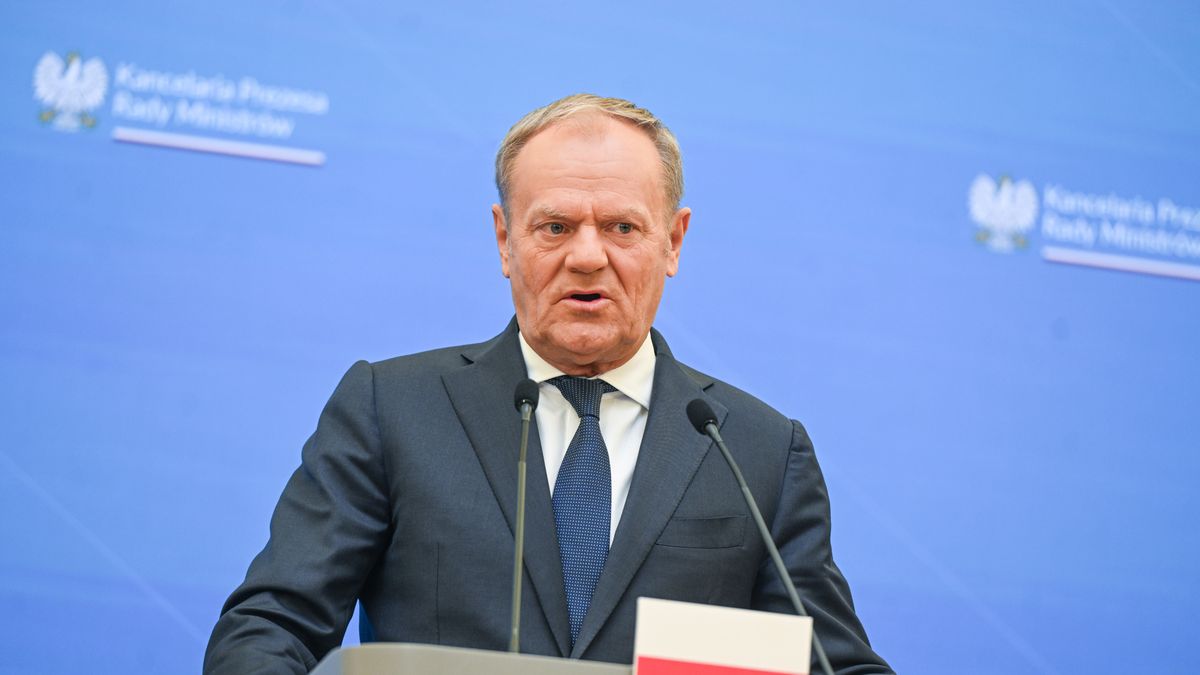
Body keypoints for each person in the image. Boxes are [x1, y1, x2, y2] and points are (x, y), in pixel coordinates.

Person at [204, 94, 893, 674]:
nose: (587, 257)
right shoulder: (392, 409)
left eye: (622, 227)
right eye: (555, 226)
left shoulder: (759, 451)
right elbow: (269, 629)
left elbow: (836, 664)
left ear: (674, 241)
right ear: (505, 239)